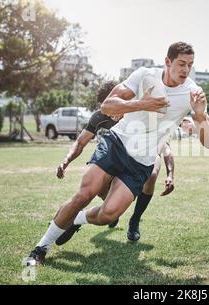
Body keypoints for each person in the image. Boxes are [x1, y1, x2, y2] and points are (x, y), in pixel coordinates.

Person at [26, 41, 209, 265]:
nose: (186, 70)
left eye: (190, 65)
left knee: (109, 214)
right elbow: (107, 106)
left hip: (142, 162)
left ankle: (77, 219)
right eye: (181, 63)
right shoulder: (145, 75)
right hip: (117, 143)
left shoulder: (193, 93)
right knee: (84, 194)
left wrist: (201, 116)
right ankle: (39, 249)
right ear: (167, 62)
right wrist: (141, 104)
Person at [55, 81, 175, 242]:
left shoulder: (140, 114)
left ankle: (134, 221)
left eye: (116, 106)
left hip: (146, 156)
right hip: (119, 154)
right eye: (109, 108)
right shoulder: (101, 116)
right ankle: (104, 212)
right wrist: (66, 160)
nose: (113, 113)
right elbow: (81, 141)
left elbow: (165, 147)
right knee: (98, 181)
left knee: (152, 174)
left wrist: (170, 174)